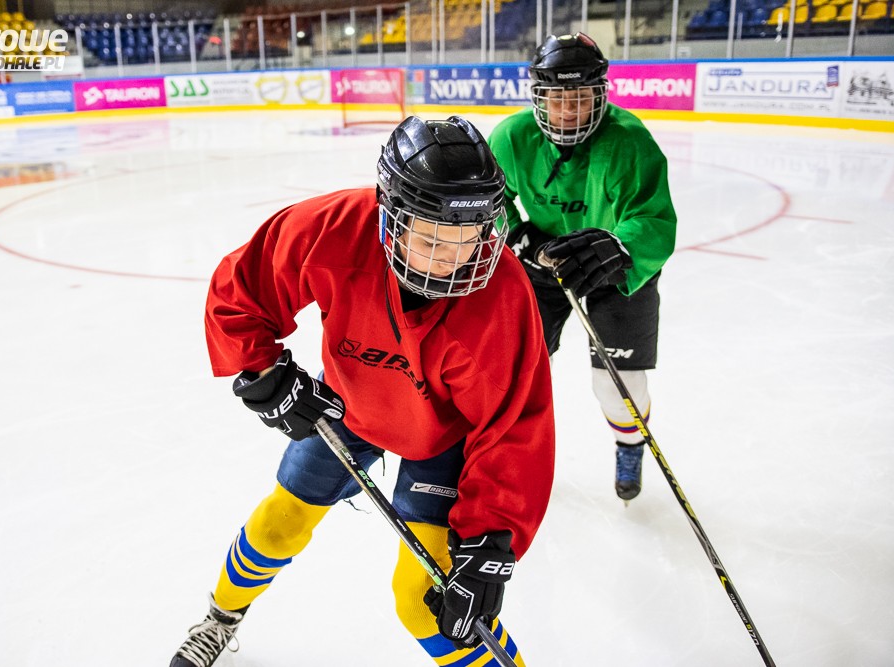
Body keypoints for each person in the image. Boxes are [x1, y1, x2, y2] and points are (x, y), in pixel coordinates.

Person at [169, 116, 555, 667]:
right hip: (349, 405)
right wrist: (263, 373)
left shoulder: (502, 293)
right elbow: (243, 290)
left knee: (423, 603)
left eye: (469, 239)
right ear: (391, 217)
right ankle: (220, 618)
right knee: (278, 525)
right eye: (431, 239)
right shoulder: (334, 229)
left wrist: (489, 543)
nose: (452, 262)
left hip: (446, 439)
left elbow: (514, 426)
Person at [488, 32, 677, 502]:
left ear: (600, 94)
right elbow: (489, 201)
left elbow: (653, 218)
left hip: (615, 263)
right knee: (520, 368)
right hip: (544, 261)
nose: (569, 110)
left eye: (580, 97)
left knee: (617, 384)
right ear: (538, 97)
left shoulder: (630, 140)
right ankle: (511, 450)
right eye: (557, 98)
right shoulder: (511, 138)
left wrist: (621, 247)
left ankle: (629, 444)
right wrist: (519, 235)